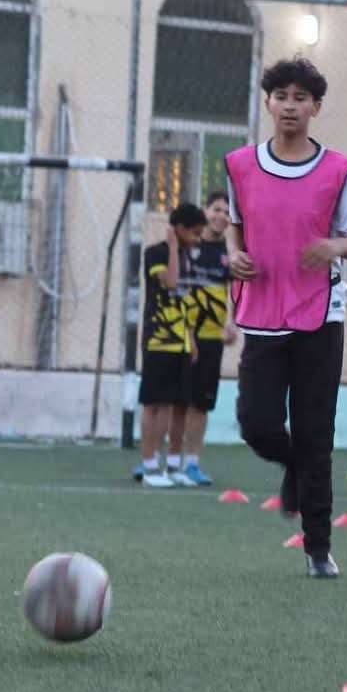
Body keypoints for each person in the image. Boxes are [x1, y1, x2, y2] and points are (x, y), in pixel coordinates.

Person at [226, 57, 347, 578]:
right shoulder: (241, 165)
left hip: (319, 317)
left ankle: (318, 549)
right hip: (262, 312)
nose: (290, 106)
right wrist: (233, 254)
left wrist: (332, 245)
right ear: (267, 103)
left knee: (315, 434)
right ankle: (291, 462)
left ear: (316, 107)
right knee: (256, 423)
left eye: (300, 98)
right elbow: (236, 223)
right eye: (281, 96)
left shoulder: (338, 171)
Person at [166, 190, 237, 485]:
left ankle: (192, 463)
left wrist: (232, 323)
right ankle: (169, 462)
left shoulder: (229, 253)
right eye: (216, 209)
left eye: (227, 212)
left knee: (201, 403)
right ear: (206, 212)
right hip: (183, 336)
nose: (221, 216)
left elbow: (235, 291)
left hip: (211, 338)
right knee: (178, 401)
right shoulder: (188, 246)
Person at [134, 202, 207, 487]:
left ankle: (174, 466)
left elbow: (185, 300)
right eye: (195, 233)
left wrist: (191, 338)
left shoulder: (188, 257)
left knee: (179, 405)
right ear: (178, 229)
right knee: (156, 404)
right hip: (159, 340)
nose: (198, 239)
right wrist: (174, 247)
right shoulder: (156, 253)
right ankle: (150, 466)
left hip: (181, 343)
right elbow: (172, 283)